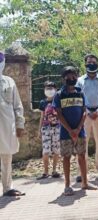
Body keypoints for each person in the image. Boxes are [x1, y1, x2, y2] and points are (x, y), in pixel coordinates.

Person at [53, 66, 97, 196]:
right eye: (68, 77)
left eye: (74, 76)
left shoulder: (80, 93)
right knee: (66, 157)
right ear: (63, 78)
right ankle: (67, 185)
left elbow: (84, 112)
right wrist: (70, 130)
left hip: (80, 132)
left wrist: (78, 129)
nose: (71, 79)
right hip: (66, 133)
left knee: (82, 156)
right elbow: (59, 115)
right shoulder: (59, 95)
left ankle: (85, 182)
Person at [76, 54, 98, 182]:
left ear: (97, 64)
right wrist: (86, 110)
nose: (92, 64)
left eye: (94, 62)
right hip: (84, 114)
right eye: (89, 62)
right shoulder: (79, 81)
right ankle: (81, 171)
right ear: (85, 64)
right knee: (82, 143)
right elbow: (78, 98)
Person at [0, 50, 26, 197]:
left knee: (6, 157)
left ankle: (7, 188)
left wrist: (20, 124)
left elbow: (17, 105)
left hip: (7, 125)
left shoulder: (9, 81)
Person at [37, 81, 61, 180]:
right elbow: (42, 117)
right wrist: (39, 130)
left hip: (57, 128)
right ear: (44, 90)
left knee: (56, 150)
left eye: (51, 88)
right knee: (45, 151)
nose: (49, 90)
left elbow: (61, 115)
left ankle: (54, 170)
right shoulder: (43, 102)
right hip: (46, 129)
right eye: (47, 88)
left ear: (56, 89)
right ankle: (45, 172)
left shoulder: (58, 101)